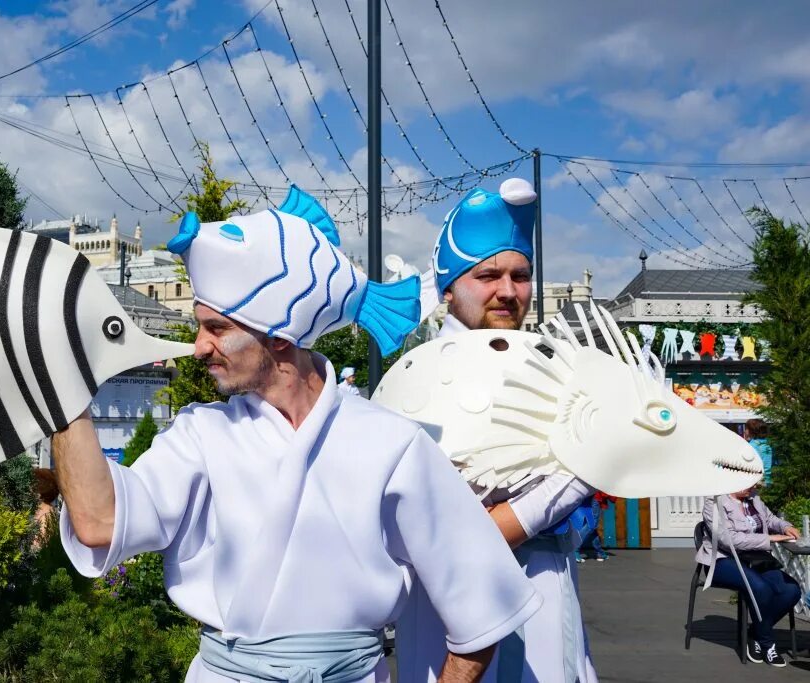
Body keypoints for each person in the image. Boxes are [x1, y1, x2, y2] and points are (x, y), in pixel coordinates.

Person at [55, 192, 541, 682]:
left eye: (216, 328)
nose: (199, 347)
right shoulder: (200, 436)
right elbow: (99, 522)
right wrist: (58, 387)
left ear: (280, 336)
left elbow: (483, 607)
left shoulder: (392, 444)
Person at [399, 178, 597, 683]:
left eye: (520, 274)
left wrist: (521, 517)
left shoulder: (557, 368)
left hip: (548, 595)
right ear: (448, 286)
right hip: (446, 611)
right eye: (487, 275)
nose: (508, 292)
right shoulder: (415, 378)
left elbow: (594, 462)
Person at [697, 485, 800, 667]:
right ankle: (768, 645)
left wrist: (786, 527)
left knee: (791, 590)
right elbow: (728, 540)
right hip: (723, 560)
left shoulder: (753, 498)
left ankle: (754, 633)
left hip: (755, 559)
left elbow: (770, 519)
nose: (753, 487)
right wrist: (769, 539)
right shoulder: (714, 502)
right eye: (750, 483)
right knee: (761, 588)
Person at [745, 419, 773, 486]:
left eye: (746, 428)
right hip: (768, 479)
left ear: (751, 431)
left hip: (756, 481)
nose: (744, 431)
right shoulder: (767, 444)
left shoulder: (752, 446)